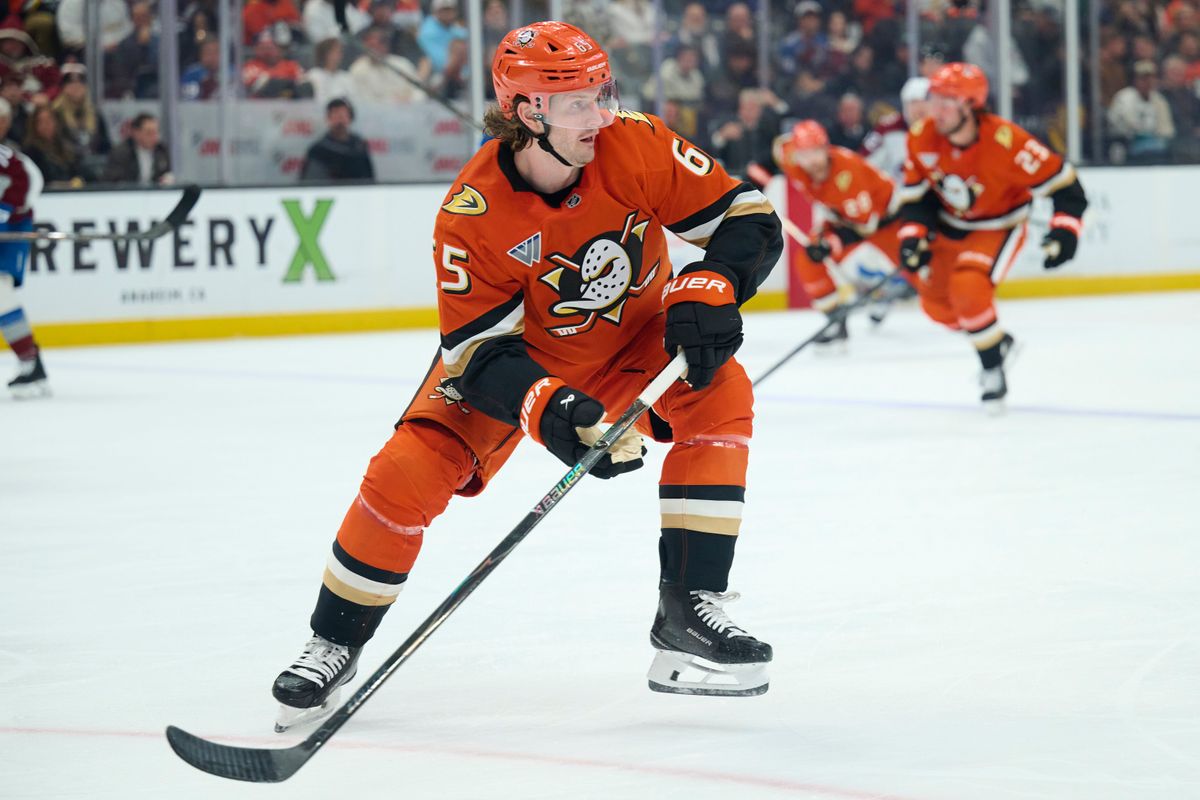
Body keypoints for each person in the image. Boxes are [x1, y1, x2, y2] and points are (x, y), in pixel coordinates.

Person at [269, 20, 782, 731]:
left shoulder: (634, 142)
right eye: (578, 103)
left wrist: (713, 281)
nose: (599, 115)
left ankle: (687, 610)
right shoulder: (470, 214)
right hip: (518, 363)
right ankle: (334, 640)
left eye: (602, 94)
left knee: (722, 392)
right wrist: (554, 411)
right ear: (526, 112)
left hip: (632, 345)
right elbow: (479, 354)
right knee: (404, 473)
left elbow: (747, 215)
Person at [897, 62, 1087, 410]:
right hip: (951, 225)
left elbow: (1066, 188)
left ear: (970, 105)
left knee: (969, 290)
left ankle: (992, 369)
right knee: (936, 306)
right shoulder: (922, 136)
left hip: (998, 226)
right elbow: (916, 197)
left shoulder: (1007, 142)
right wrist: (914, 236)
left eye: (946, 102)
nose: (935, 110)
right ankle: (996, 342)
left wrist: (1066, 231)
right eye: (934, 99)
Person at [747, 120, 904, 345]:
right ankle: (835, 321)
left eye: (817, 152)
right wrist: (749, 192)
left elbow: (862, 228)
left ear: (826, 149)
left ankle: (883, 290)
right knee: (808, 260)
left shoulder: (847, 177)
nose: (812, 161)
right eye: (805, 155)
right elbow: (766, 164)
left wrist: (828, 243)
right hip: (844, 218)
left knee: (922, 277)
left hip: (888, 222)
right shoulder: (790, 155)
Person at [0, 100, 47, 397]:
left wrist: (3, 212)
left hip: (11, 233)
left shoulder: (7, 158)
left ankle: (30, 363)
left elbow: (29, 181)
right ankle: (31, 363)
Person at [861, 76, 931, 179]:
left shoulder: (945, 130)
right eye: (914, 102)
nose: (920, 108)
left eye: (925, 102)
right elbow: (862, 166)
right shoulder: (887, 130)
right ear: (905, 105)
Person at [300, 98, 374, 182]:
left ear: (350, 118)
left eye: (343, 116)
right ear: (328, 119)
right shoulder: (318, 150)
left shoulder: (359, 147)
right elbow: (311, 183)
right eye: (335, 116)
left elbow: (369, 179)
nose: (340, 121)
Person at [23, 105, 88, 187]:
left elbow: (79, 173)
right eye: (41, 121)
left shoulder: (66, 148)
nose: (46, 125)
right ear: (34, 125)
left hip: (72, 192)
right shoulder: (30, 152)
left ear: (56, 122)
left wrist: (78, 180)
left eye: (49, 120)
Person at [101, 113, 173, 186]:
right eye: (149, 133)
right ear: (136, 133)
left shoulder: (161, 150)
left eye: (156, 132)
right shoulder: (120, 153)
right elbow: (112, 181)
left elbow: (166, 173)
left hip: (155, 192)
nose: (155, 137)